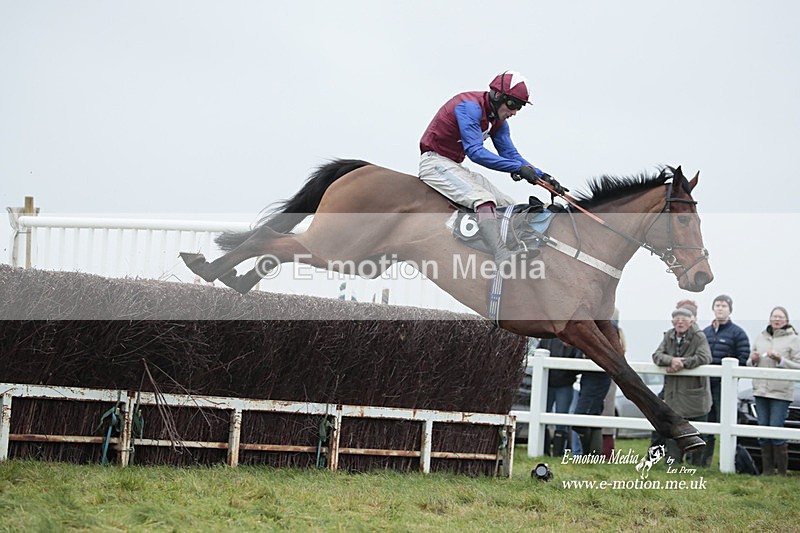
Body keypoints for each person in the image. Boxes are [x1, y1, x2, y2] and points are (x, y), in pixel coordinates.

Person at [419, 70, 566, 266]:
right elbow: (476, 152)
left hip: (455, 166)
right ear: (497, 95)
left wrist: (543, 176)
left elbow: (511, 155)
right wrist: (517, 169)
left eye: (519, 107)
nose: (514, 112)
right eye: (512, 104)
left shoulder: (499, 122)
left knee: (508, 203)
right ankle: (501, 254)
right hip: (434, 163)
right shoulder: (470, 107)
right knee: (484, 199)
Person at [652, 304, 712, 465]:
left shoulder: (699, 336)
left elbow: (705, 357)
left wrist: (683, 364)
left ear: (691, 322)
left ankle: (696, 465)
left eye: (684, 319)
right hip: (673, 394)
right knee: (673, 429)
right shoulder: (669, 335)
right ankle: (672, 463)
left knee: (697, 431)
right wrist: (671, 360)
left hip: (694, 395)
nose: (680, 322)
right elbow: (657, 355)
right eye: (677, 319)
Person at [746, 306, 800, 476]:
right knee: (763, 430)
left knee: (776, 430)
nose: (777, 320)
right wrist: (752, 360)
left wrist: (781, 360)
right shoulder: (761, 337)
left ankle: (782, 472)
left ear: (786, 320)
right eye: (774, 317)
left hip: (781, 392)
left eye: (780, 317)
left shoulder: (794, 339)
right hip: (760, 390)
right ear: (770, 319)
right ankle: (768, 471)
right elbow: (748, 363)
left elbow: (798, 366)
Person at [700, 294, 750, 467]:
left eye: (724, 305)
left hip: (724, 387)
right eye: (717, 305)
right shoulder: (705, 332)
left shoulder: (737, 333)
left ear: (730, 309)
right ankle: (704, 462)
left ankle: (727, 461)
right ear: (713, 308)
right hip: (706, 386)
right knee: (708, 424)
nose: (720, 308)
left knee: (727, 423)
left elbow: (743, 356)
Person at [539, 337, 581, 456]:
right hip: (549, 384)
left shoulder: (571, 340)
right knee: (544, 416)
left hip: (563, 385)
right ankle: (545, 450)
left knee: (561, 419)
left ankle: (557, 452)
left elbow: (577, 363)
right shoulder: (546, 339)